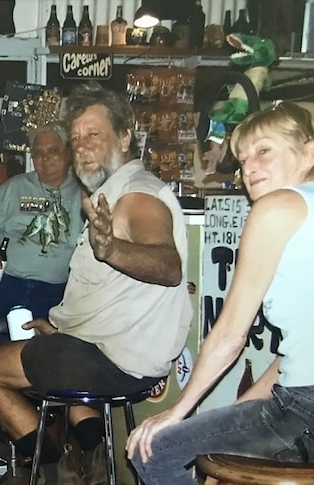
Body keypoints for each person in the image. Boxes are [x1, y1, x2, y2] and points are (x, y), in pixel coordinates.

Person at [0, 83, 191, 481]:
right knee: (34, 349)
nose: (82, 147)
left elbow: (167, 265)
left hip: (114, 360)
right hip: (105, 347)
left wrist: (111, 249)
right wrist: (60, 327)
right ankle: (90, 451)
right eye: (76, 139)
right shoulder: (110, 191)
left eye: (94, 135)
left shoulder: (137, 196)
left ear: (124, 136)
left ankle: (47, 464)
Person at [127, 102, 314, 484]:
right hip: (299, 403)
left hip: (305, 414)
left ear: (309, 151)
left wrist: (177, 411)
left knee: (153, 451)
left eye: (264, 151)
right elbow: (293, 356)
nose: (249, 168)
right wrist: (232, 418)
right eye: (243, 160)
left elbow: (230, 335)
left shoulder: (276, 208)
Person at [0, 121, 84, 354]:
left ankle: (17, 365)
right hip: (7, 281)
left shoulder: (85, 192)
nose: (45, 158)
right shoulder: (16, 188)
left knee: (67, 340)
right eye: (38, 153)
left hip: (58, 289)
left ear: (68, 154)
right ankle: (15, 364)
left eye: (53, 151)